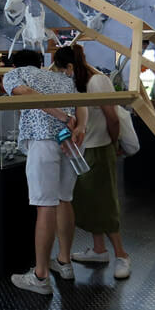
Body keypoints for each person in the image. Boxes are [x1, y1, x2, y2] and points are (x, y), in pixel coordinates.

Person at [2, 49, 87, 295]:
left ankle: (40, 275)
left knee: (45, 205)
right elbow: (81, 103)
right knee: (64, 199)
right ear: (41, 62)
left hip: (43, 141)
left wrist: (60, 115)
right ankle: (64, 262)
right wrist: (78, 125)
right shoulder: (61, 78)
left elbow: (23, 93)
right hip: (69, 143)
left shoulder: (15, 74)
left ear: (14, 64)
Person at [53, 45, 131, 279]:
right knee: (89, 202)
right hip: (82, 151)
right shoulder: (79, 81)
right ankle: (99, 249)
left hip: (99, 148)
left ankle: (122, 255)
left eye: (61, 70)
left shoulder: (97, 81)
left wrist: (114, 143)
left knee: (105, 203)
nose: (62, 75)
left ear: (68, 66)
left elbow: (112, 118)